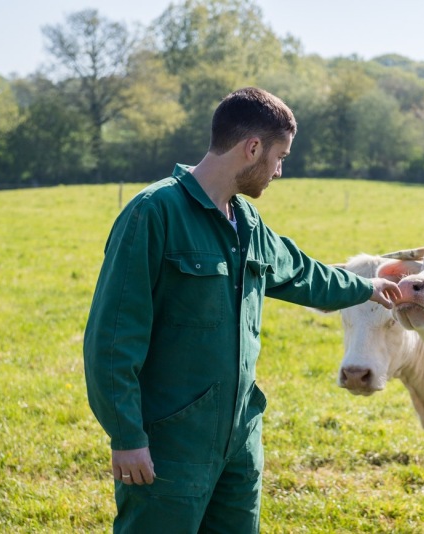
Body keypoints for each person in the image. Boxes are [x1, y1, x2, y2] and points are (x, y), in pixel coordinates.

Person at [83, 87, 401, 533]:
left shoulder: (247, 223)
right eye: (279, 157)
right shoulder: (154, 214)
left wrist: (368, 287)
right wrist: (127, 436)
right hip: (170, 444)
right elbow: (113, 339)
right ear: (252, 148)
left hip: (240, 440)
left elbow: (303, 274)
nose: (280, 171)